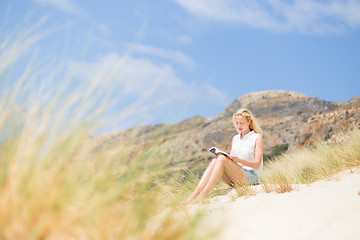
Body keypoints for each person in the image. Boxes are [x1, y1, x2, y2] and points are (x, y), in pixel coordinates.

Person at [182, 108, 263, 204]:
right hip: (236, 177)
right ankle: (194, 194)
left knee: (221, 159)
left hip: (250, 177)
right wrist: (231, 159)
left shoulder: (257, 137)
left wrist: (238, 160)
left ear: (249, 121)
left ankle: (203, 195)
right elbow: (233, 162)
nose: (239, 126)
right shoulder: (235, 138)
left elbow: (257, 164)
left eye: (241, 123)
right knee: (215, 160)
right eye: (237, 123)